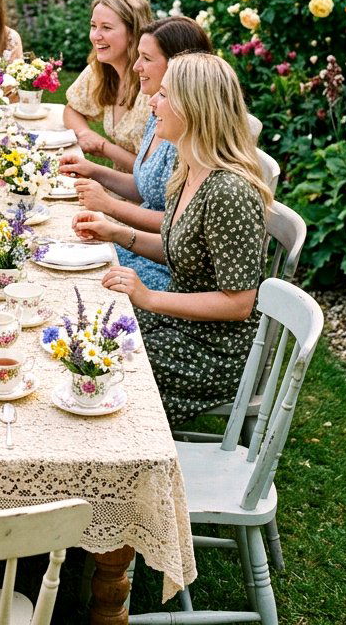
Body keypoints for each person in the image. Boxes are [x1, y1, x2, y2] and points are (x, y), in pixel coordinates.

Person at [72, 52, 271, 427]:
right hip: (177, 322)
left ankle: (118, 462)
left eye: (163, 95)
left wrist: (148, 298)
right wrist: (119, 233)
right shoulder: (190, 168)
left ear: (193, 108)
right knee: (80, 325)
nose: (151, 103)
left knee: (95, 364)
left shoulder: (229, 191)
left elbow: (239, 303)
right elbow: (180, 249)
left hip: (211, 349)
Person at [60, 17, 212, 290]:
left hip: (165, 267)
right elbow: (147, 188)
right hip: (146, 246)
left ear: (178, 67)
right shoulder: (159, 112)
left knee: (77, 282)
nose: (136, 66)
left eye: (146, 58)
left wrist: (110, 207)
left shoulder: (187, 133)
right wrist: (94, 170)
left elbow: (179, 224)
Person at [62, 0, 153, 173]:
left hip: (145, 196)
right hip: (119, 184)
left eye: (106, 27)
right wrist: (85, 133)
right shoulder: (102, 68)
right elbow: (72, 109)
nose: (95, 36)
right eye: (93, 26)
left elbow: (150, 173)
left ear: (133, 33)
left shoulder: (152, 85)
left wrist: (103, 147)